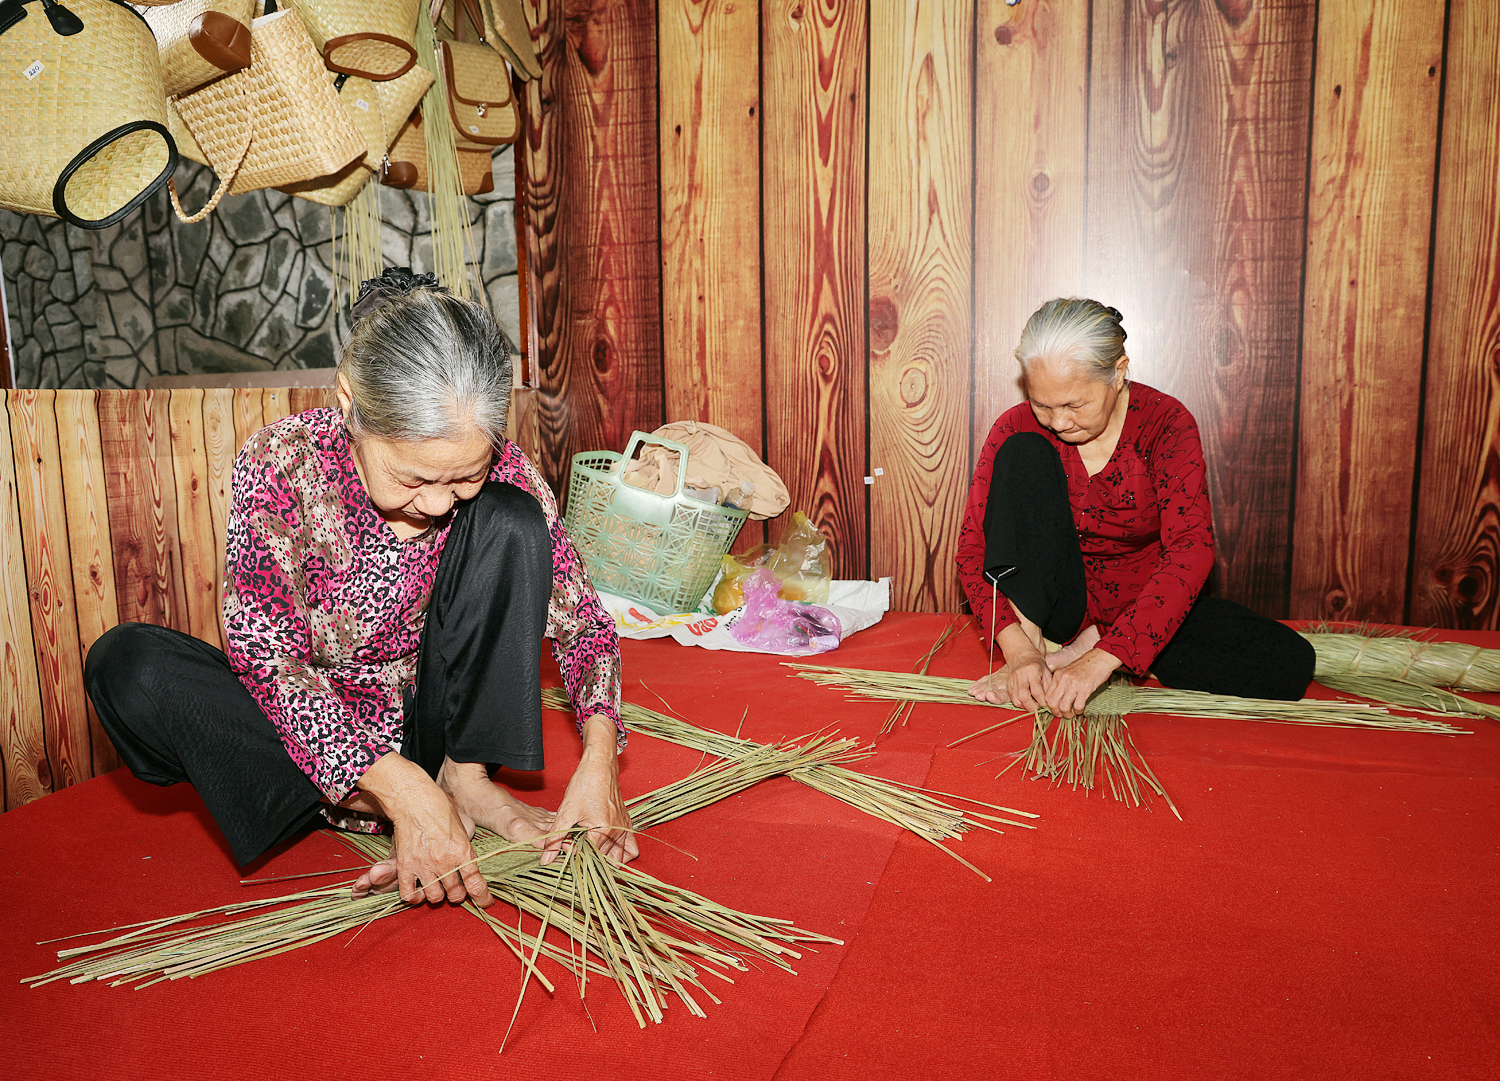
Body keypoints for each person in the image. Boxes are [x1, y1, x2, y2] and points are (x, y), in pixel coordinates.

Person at [85, 267, 636, 910]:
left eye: (462, 480)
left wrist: (600, 758)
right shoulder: (284, 463)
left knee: (511, 517)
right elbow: (266, 655)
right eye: (410, 478)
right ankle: (385, 797)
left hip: (436, 719)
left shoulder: (505, 471)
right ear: (349, 402)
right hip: (313, 737)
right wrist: (399, 786)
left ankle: (466, 778)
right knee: (128, 666)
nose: (434, 503)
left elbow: (583, 622)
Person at [956, 297, 1314, 717]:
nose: (1058, 422)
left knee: (1288, 664)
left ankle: (1087, 649)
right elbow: (972, 549)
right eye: (1042, 404)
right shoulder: (1018, 426)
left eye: (1074, 405)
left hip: (1137, 605)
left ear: (1119, 372)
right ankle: (1040, 652)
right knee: (1023, 452)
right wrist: (1017, 652)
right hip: (1049, 610)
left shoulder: (1166, 424)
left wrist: (1100, 659)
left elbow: (1190, 549)